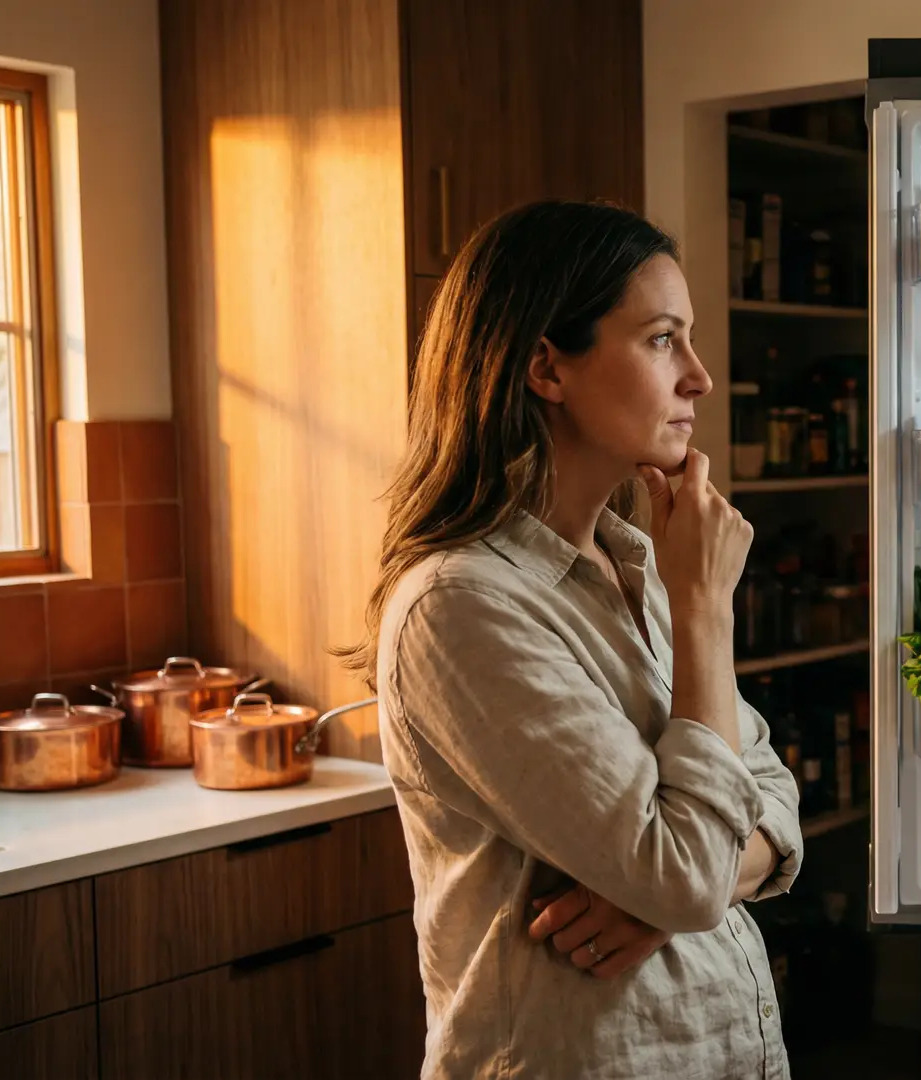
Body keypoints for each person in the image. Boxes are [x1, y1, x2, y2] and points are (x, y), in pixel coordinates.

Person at [340, 201, 802, 1079]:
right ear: (548, 368)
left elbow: (770, 788)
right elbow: (691, 871)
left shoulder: (640, 563)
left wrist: (670, 897)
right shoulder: (461, 606)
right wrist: (706, 610)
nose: (699, 376)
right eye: (664, 338)